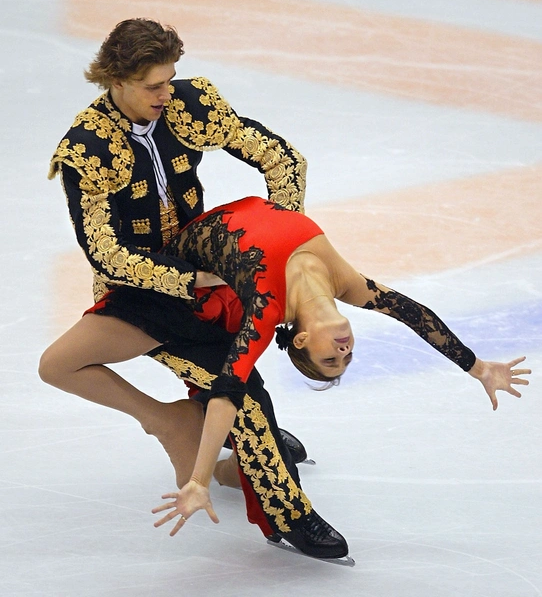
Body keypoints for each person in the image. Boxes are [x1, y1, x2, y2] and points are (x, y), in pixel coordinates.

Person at [39, 19, 349, 560]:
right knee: (244, 400)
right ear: (116, 79)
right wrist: (191, 280)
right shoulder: (87, 149)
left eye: (170, 80)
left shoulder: (188, 104)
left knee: (240, 388)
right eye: (154, 85)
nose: (167, 93)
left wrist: (275, 239)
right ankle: (279, 507)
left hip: (205, 268)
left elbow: (283, 159)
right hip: (139, 293)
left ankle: (235, 452)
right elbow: (105, 252)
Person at [90, 195, 529, 541]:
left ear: (300, 340)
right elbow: (413, 314)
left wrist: (199, 480)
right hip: (179, 288)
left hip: (186, 297)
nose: (343, 351)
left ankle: (239, 470)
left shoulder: (266, 307)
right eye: (345, 357)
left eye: (330, 358)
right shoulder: (347, 284)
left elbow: (228, 393)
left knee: (236, 389)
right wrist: (477, 367)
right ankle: (259, 481)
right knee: (239, 388)